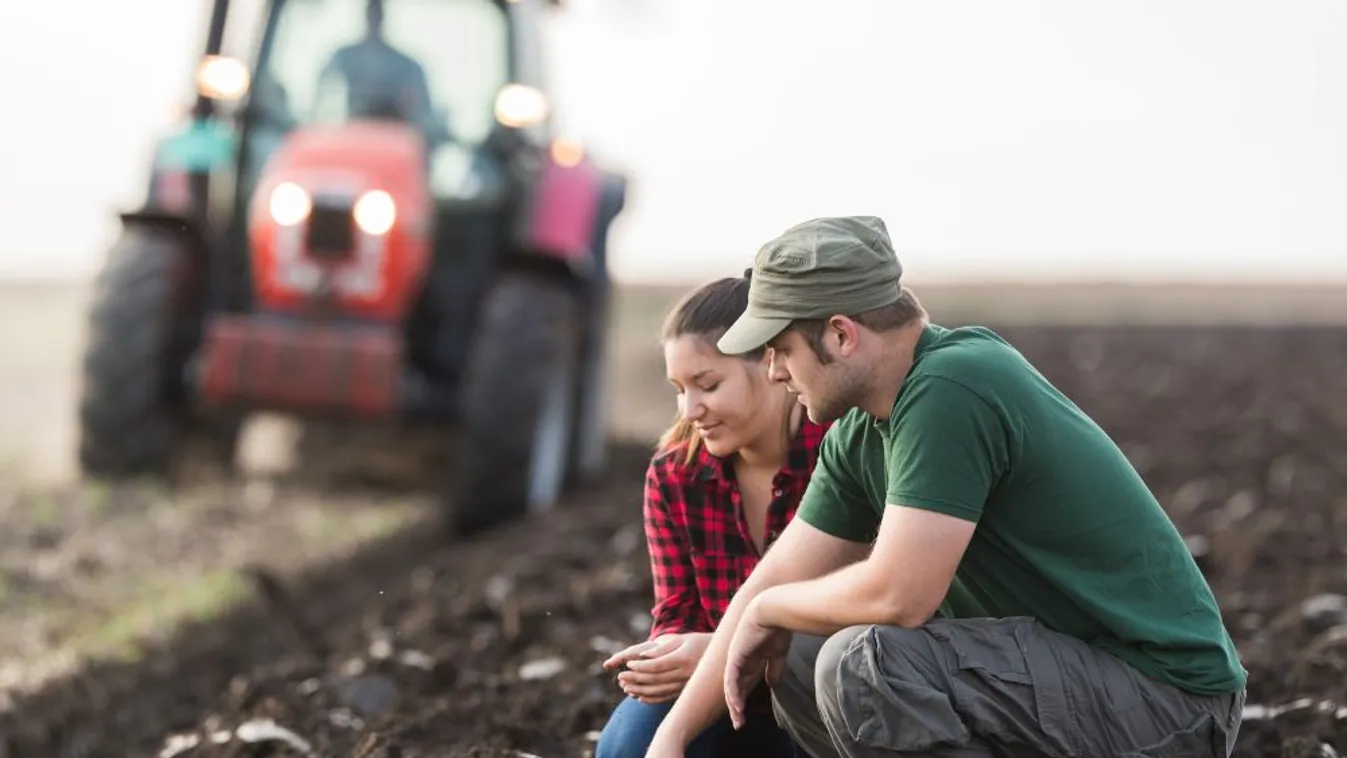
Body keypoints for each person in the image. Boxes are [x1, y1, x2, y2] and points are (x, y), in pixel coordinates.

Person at [644, 216, 1248, 758]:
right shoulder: (860, 430)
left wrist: (771, 611)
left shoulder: (952, 386)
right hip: (1059, 679)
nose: (775, 372)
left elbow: (899, 596)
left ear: (840, 335)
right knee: (802, 657)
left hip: (1165, 702)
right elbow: (771, 582)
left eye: (781, 351)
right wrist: (670, 742)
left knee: (863, 664)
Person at [594, 275, 823, 758]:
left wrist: (726, 652)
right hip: (718, 696)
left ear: (770, 361)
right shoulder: (676, 473)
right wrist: (663, 658)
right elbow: (677, 612)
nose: (689, 409)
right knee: (626, 746)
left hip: (824, 692)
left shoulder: (839, 455)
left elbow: (865, 618)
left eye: (708, 384)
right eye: (679, 389)